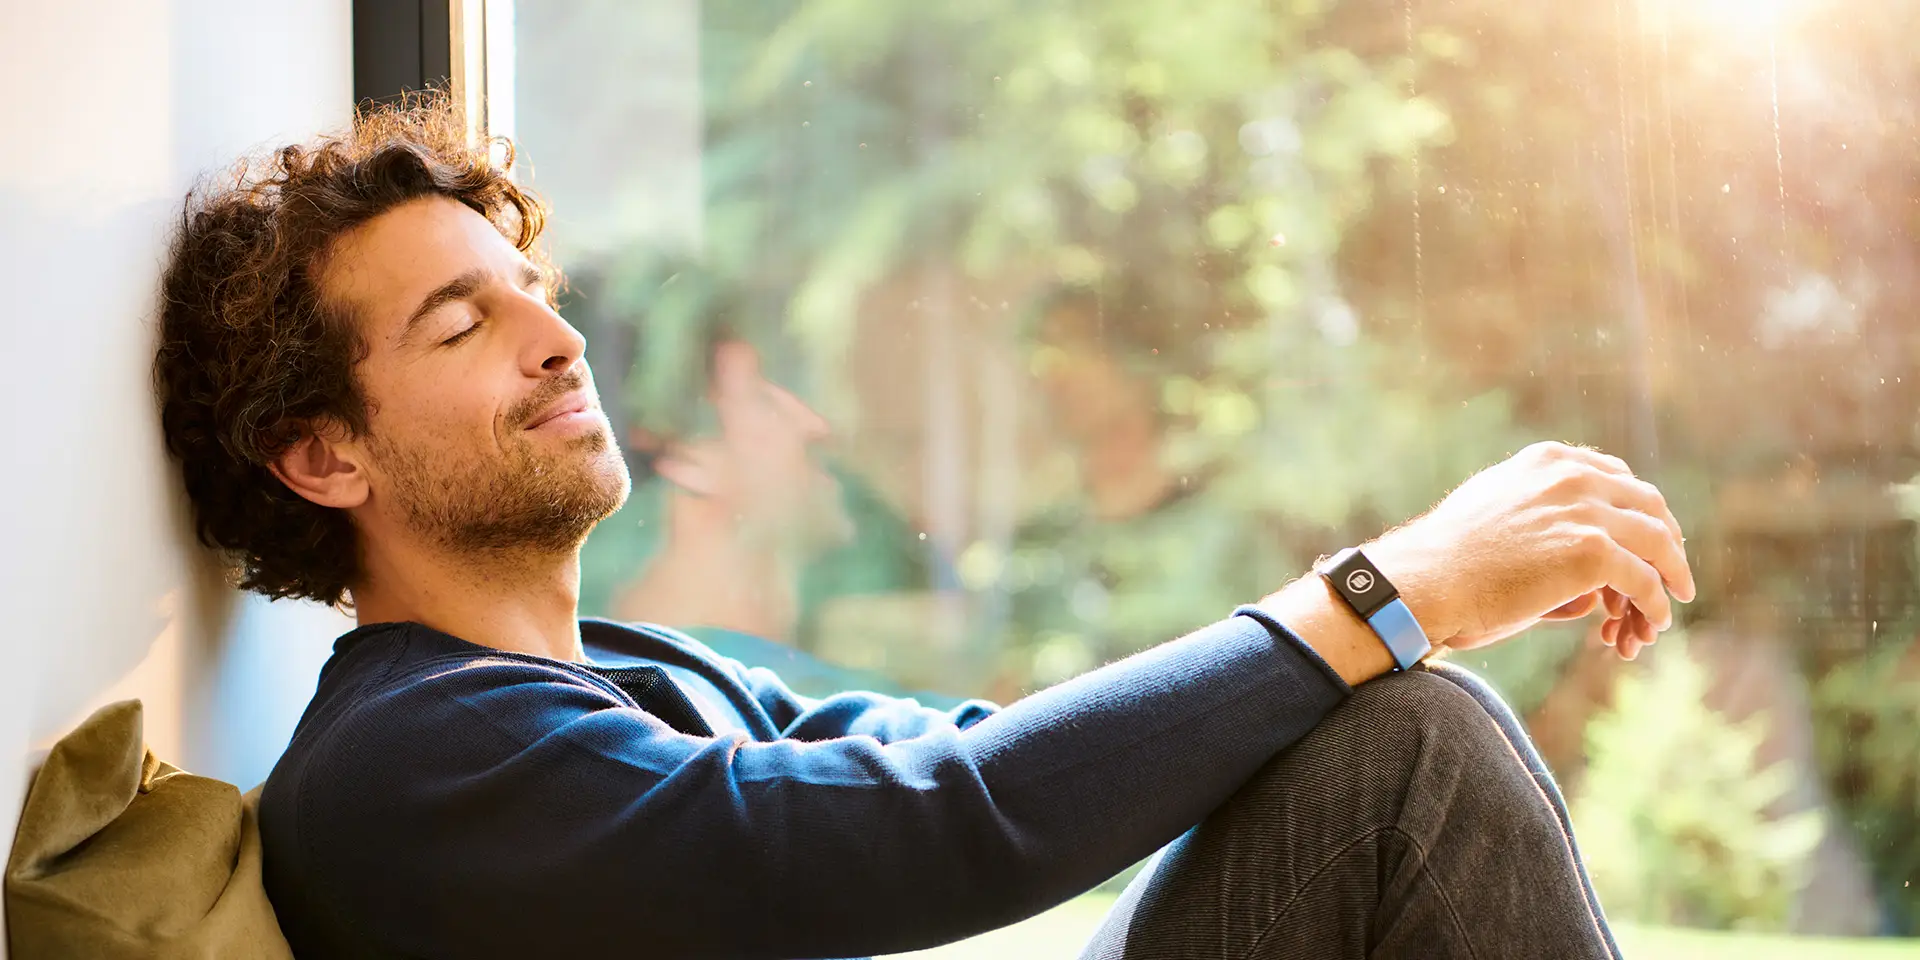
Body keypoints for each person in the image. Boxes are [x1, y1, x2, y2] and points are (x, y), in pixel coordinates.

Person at [155, 95, 1694, 958]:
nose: (555, 341)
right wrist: (1391, 586)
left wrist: (1403, 612)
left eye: (534, 297)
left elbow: (1007, 755)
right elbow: (949, 822)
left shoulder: (634, 677)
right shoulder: (416, 761)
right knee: (1405, 757)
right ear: (321, 454)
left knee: (1377, 725)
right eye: (457, 325)